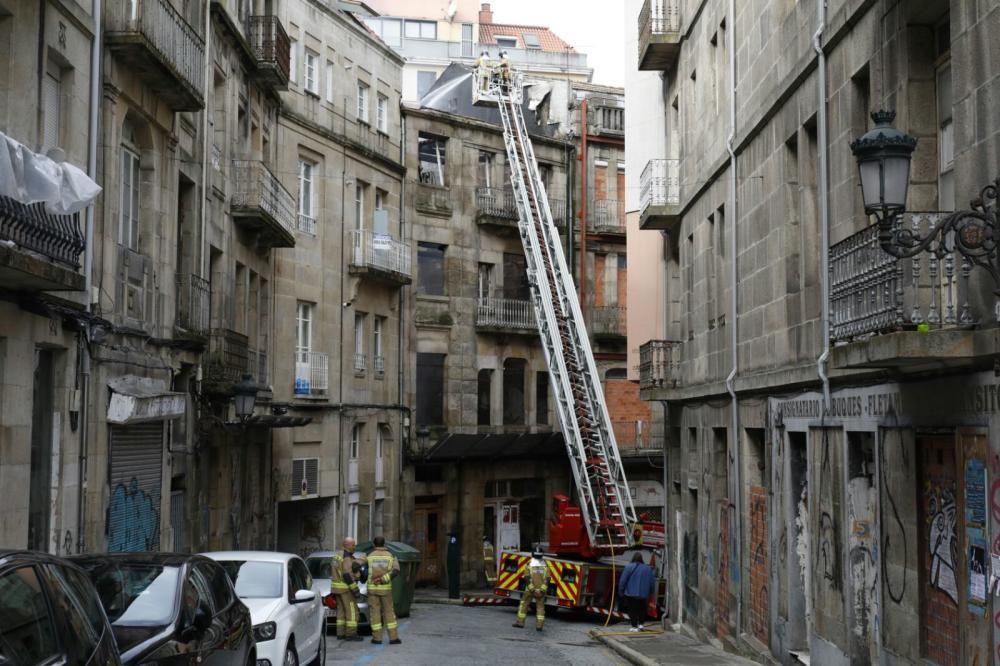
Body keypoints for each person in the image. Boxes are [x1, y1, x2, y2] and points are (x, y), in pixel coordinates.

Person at [367, 536, 403, 645]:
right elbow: (396, 571)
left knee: (375, 613)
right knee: (389, 612)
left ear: (374, 544)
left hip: (372, 589)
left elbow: (361, 568)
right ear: (384, 544)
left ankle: (377, 638)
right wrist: (383, 579)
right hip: (385, 589)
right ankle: (393, 638)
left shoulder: (369, 555)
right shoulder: (391, 555)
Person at [330, 537, 363, 641]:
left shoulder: (337, 555)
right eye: (353, 545)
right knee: (352, 611)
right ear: (346, 545)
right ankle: (351, 634)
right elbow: (347, 575)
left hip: (337, 589)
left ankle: (340, 633)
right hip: (346, 589)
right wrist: (355, 589)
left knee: (341, 611)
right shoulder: (347, 557)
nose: (354, 547)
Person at [618, 552, 656, 632]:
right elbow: (652, 582)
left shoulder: (628, 567)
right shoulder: (647, 568)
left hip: (631, 593)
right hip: (643, 594)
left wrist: (621, 591)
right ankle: (641, 624)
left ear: (633, 558)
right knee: (642, 609)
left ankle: (634, 626)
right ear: (641, 559)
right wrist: (651, 592)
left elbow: (623, 581)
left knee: (632, 610)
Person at [513, 548, 549, 631]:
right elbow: (547, 579)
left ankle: (520, 623)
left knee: (524, 604)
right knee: (540, 608)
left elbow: (526, 578)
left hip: (529, 590)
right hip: (541, 591)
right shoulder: (545, 566)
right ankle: (539, 626)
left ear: (533, 555)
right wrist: (541, 591)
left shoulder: (529, 564)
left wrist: (533, 590)